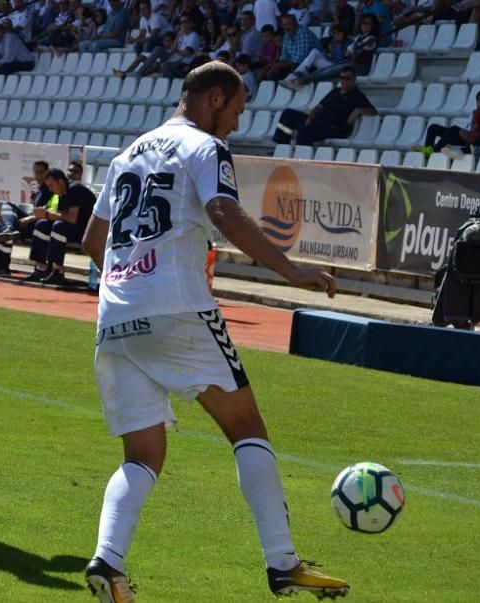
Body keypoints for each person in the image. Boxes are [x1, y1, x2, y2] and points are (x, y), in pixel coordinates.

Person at [79, 61, 349, 602]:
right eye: (237, 111)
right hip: (177, 309)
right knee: (248, 428)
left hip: (115, 318)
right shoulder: (205, 147)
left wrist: (133, 275)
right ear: (215, 99)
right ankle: (283, 563)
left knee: (141, 457)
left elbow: (93, 238)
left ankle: (108, 562)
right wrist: (291, 270)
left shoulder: (128, 152)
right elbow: (223, 209)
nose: (234, 124)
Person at [25, 167, 97, 285]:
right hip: (76, 227)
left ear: (61, 182)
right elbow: (62, 213)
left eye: (51, 185)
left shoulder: (74, 190)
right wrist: (44, 214)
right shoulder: (62, 193)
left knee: (59, 227)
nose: (50, 189)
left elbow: (72, 218)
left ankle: (58, 271)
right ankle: (41, 268)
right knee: (42, 225)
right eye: (48, 186)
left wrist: (47, 214)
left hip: (89, 231)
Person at [272, 66, 377, 146]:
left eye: (348, 78)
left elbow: (373, 111)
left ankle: (302, 159)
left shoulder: (357, 95)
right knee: (288, 114)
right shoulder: (335, 91)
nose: (344, 81)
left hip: (334, 128)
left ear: (354, 79)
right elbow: (319, 107)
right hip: (318, 122)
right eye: (342, 78)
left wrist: (359, 110)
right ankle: (281, 148)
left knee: (304, 130)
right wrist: (310, 118)